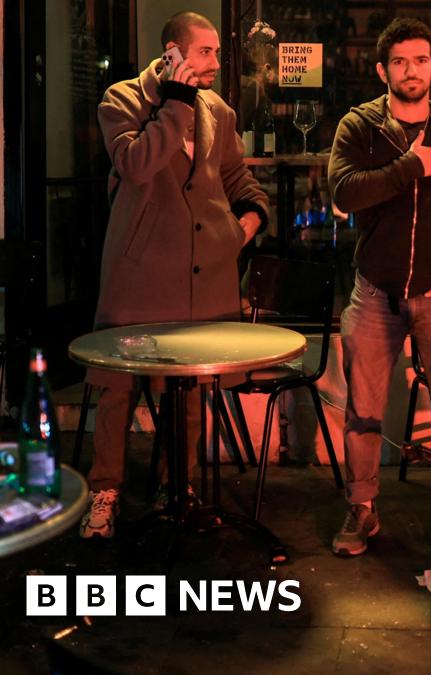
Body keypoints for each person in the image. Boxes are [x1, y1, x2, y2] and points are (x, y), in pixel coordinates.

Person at [79, 12, 268, 538]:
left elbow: (234, 176)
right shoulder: (122, 100)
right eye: (203, 52)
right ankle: (105, 491)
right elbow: (137, 164)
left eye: (215, 52)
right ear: (172, 54)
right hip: (137, 272)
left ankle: (176, 486)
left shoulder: (220, 111)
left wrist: (247, 223)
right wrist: (176, 106)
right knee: (119, 388)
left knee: (187, 391)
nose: (213, 62)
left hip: (202, 270)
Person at [327, 18, 431, 556]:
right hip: (375, 292)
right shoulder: (359, 126)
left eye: (420, 60)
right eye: (400, 61)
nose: (411, 70)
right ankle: (362, 509)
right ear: (382, 70)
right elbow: (345, 193)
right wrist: (410, 167)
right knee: (364, 408)